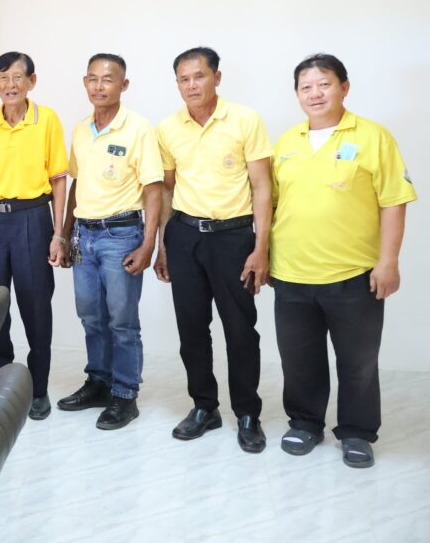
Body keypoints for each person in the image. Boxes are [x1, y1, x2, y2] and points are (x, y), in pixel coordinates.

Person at [269, 54, 416, 468]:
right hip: (292, 273)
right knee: (299, 359)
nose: (315, 93)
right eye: (306, 87)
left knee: (358, 363)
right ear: (297, 94)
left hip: (354, 275)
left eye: (324, 84)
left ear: (344, 87)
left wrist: (389, 261)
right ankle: (305, 423)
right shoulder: (286, 142)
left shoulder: (373, 137)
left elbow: (393, 201)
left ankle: (356, 432)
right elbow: (271, 204)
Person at [154, 47, 272, 453]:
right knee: (191, 328)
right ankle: (204, 406)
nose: (192, 85)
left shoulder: (244, 120)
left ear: (216, 78)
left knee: (240, 329)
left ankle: (248, 413)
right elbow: (167, 189)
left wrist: (261, 247)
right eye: (184, 79)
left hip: (233, 237)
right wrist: (164, 244)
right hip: (185, 235)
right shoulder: (168, 127)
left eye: (199, 76)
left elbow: (262, 187)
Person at [57, 54, 163, 430]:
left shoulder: (139, 128)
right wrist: (64, 233)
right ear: (85, 82)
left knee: (122, 321)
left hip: (121, 235)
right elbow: (77, 182)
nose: (99, 86)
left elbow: (154, 189)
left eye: (108, 79)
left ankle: (124, 394)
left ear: (124, 85)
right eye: (92, 79)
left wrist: (148, 244)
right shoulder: (81, 129)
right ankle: (99, 382)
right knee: (91, 316)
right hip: (84, 235)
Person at [0, 51, 68, 420]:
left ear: (32, 81)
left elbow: (59, 180)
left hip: (32, 220)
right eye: (3, 78)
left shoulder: (47, 120)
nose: (10, 85)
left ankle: (38, 389)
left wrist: (58, 233)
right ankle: (0, 385)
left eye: (17, 77)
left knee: (36, 306)